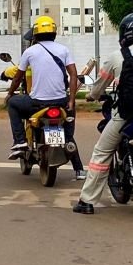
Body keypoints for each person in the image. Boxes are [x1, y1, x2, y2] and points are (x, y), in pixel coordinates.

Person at [73, 12, 133, 214]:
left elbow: (99, 87)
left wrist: (92, 96)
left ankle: (87, 201)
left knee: (101, 153)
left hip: (124, 116)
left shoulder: (116, 58)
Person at [6, 16, 82, 176]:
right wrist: (72, 100)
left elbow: (17, 77)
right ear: (54, 33)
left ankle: (20, 141)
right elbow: (73, 75)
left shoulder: (30, 51)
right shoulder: (64, 50)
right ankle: (68, 141)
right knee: (70, 115)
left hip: (36, 103)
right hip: (61, 102)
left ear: (35, 34)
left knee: (13, 104)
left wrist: (10, 94)